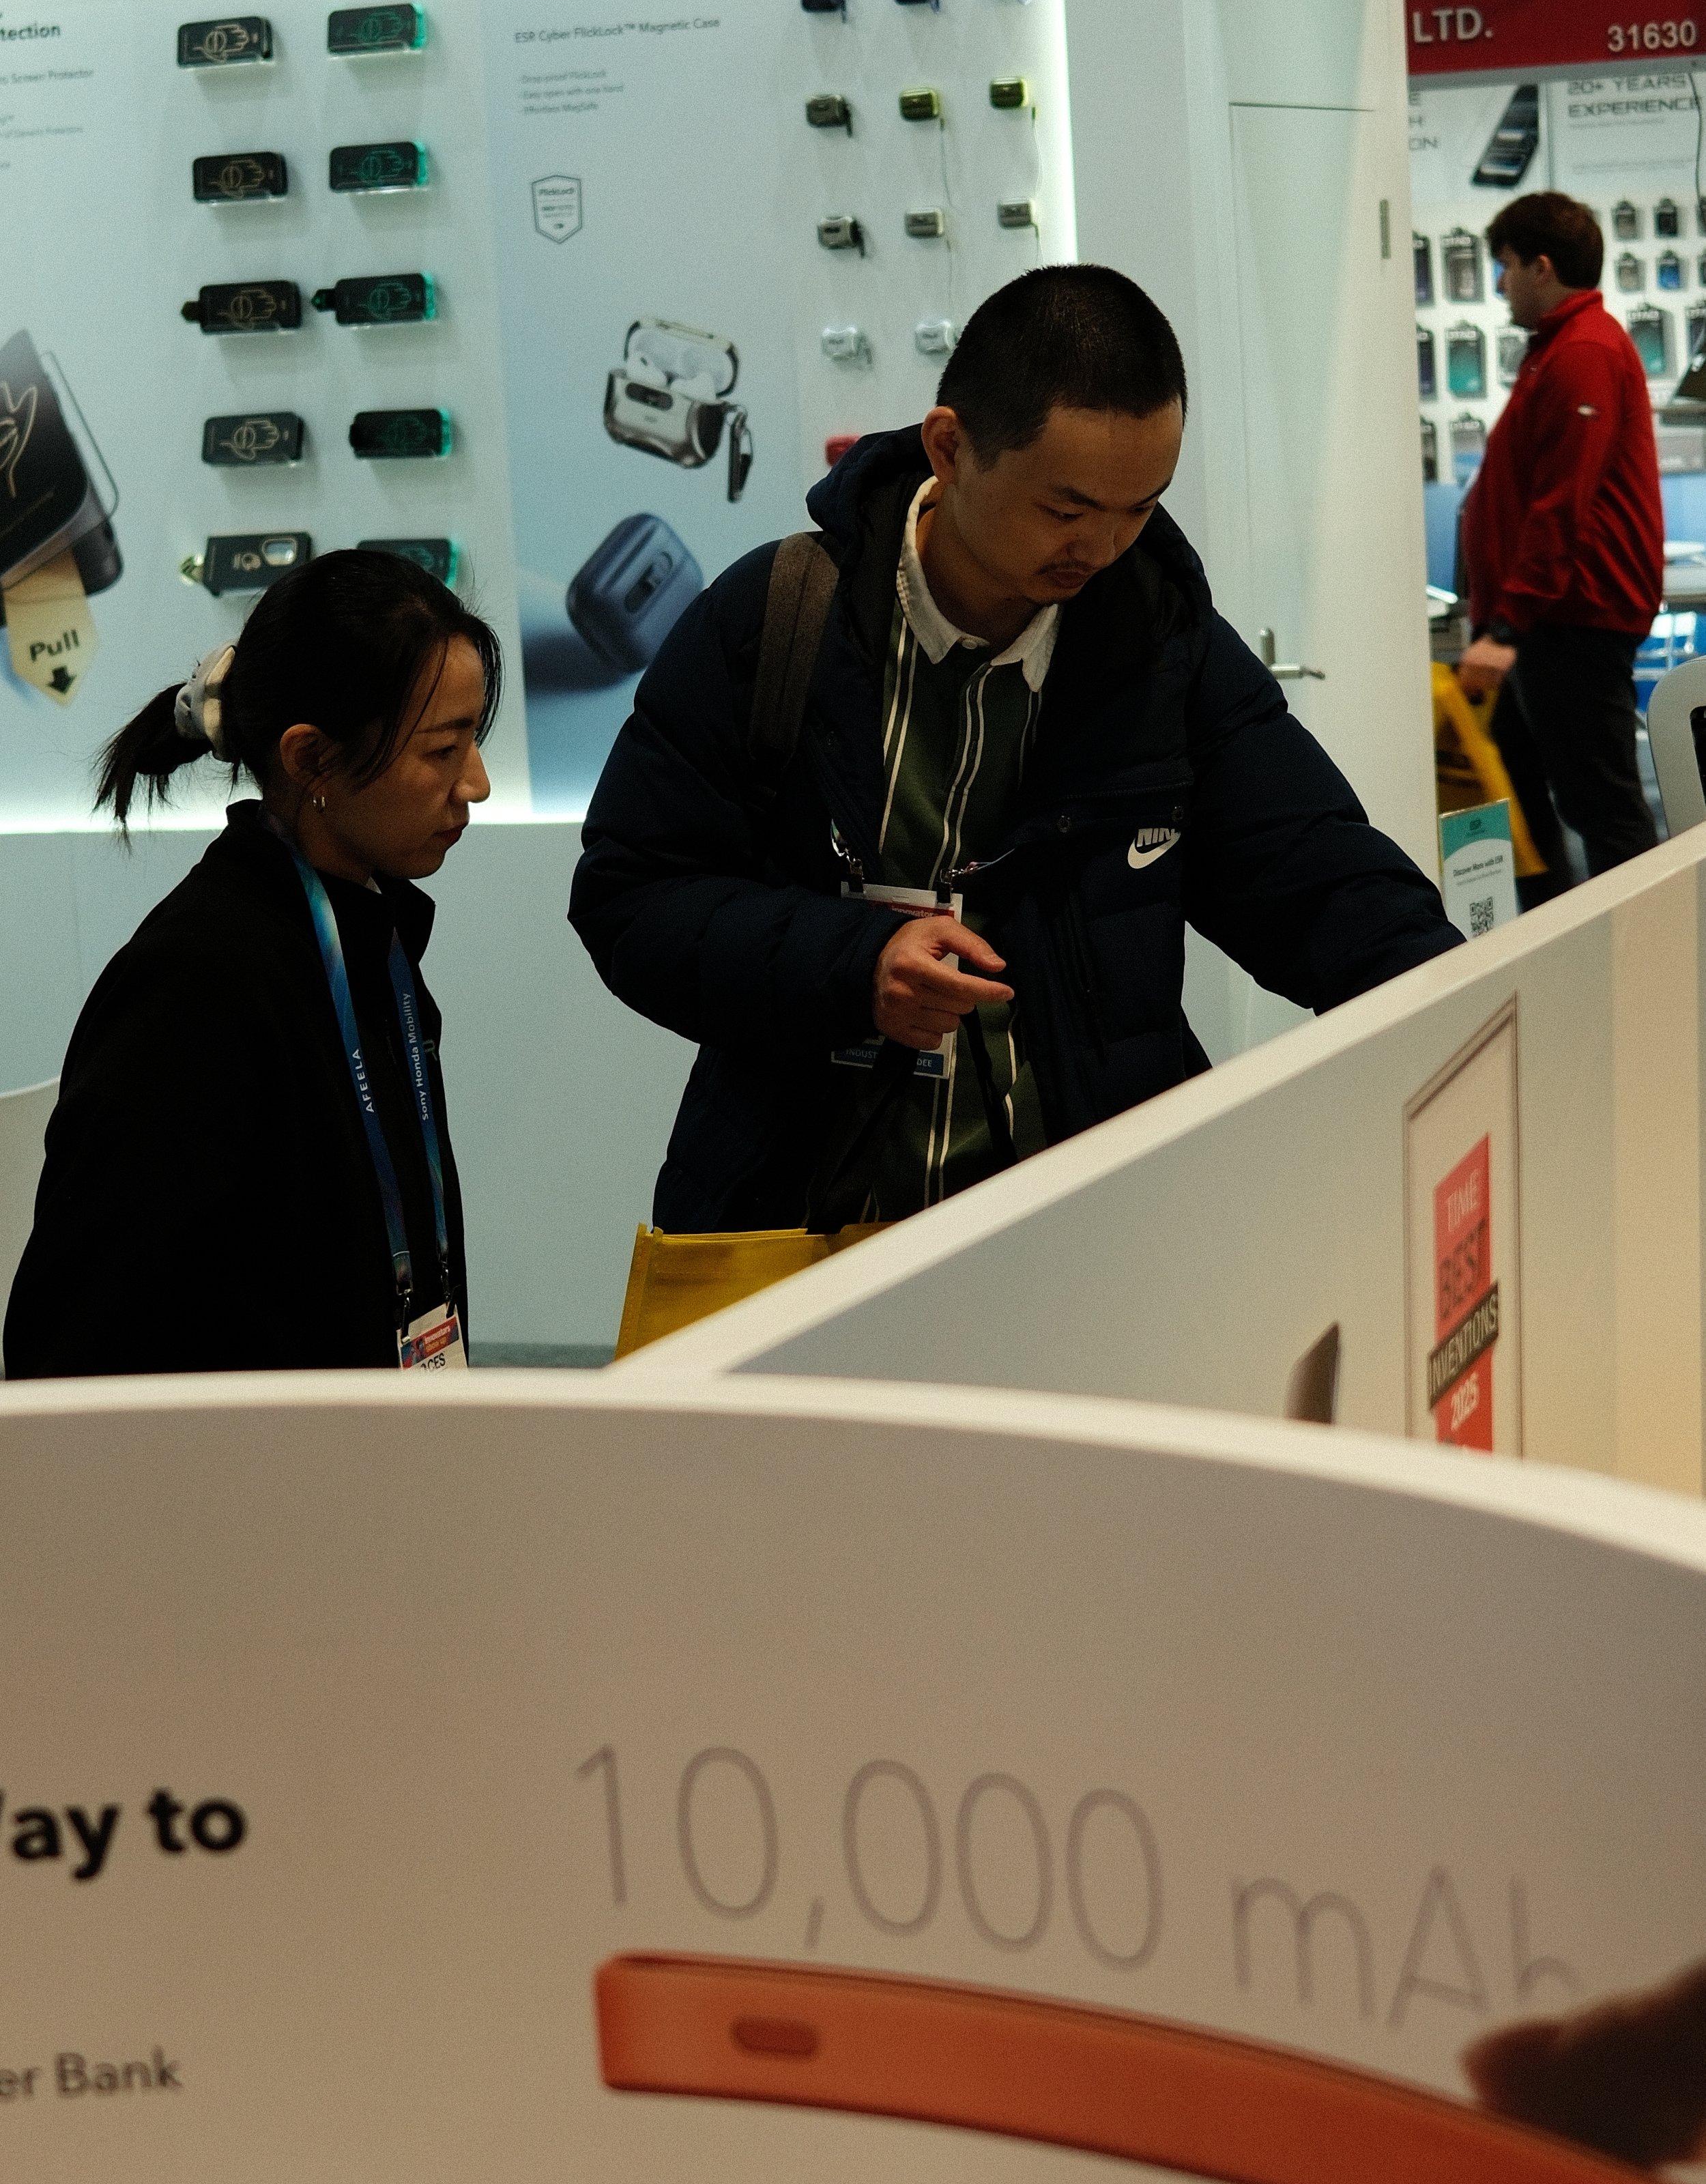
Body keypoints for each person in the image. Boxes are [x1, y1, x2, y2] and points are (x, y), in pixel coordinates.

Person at [570, 264, 1460, 1232]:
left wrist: (1477, 1011)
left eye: (1142, 507)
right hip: (815, 1231)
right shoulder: (775, 620)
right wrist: (853, 965)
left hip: (1088, 1236)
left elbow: (1319, 881)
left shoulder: (1160, 646)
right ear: (951, 448)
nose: (1107, 546)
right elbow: (634, 895)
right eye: (1067, 510)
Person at [4, 549, 500, 1377]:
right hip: (245, 1485)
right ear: (312, 760)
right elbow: (79, 1344)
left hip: (373, 1465)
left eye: (472, 742)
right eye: (443, 751)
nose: (476, 784)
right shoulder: (195, 986)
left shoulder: (369, 937)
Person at [1459, 190, 1664, 894]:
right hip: (1543, 623)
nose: (1498, 284)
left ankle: (1647, 978)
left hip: (1568, 623)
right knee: (1520, 810)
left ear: (1540, 268)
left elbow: (1560, 505)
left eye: (1506, 266)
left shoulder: (1583, 352)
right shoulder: (1558, 351)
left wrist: (1506, 625)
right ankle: (1555, 967)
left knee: (1601, 811)